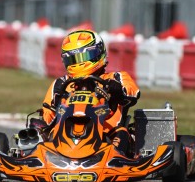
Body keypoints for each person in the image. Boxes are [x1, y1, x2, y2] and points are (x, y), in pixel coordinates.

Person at [42, 29, 140, 157]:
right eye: (73, 59)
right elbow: (47, 117)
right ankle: (48, 156)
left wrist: (116, 89)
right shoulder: (60, 84)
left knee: (122, 133)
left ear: (98, 53)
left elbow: (133, 92)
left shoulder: (116, 78)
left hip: (106, 135)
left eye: (83, 57)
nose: (78, 62)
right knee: (46, 133)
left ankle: (116, 159)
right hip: (65, 135)